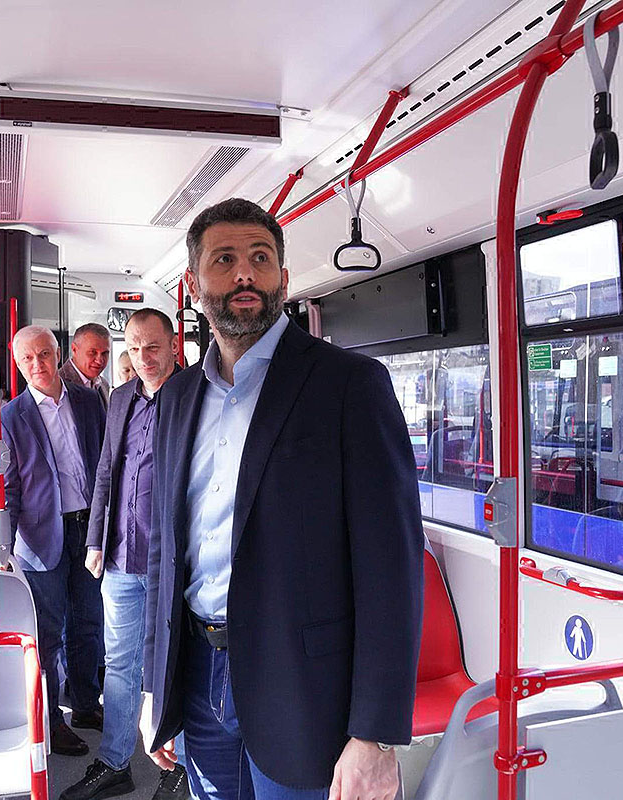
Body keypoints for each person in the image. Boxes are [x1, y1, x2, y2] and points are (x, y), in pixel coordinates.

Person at [143, 198, 424, 800]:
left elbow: (391, 567)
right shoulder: (175, 398)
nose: (245, 273)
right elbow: (163, 552)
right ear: (192, 284)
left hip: (306, 687)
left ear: (284, 278)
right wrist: (154, 687)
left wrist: (375, 735)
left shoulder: (349, 385)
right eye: (224, 259)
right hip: (196, 674)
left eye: (261, 258)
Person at [61, 309, 189, 800]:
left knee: (174, 663)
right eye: (134, 349)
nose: (143, 358)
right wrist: (95, 539)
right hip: (120, 556)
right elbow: (105, 472)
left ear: (174, 345)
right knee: (119, 664)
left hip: (172, 560)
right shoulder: (119, 398)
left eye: (152, 347)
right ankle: (115, 762)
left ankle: (181, 768)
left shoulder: (195, 394)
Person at [0, 325, 107, 756]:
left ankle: (85, 704)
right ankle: (52, 720)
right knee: (48, 633)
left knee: (89, 623)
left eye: (43, 354)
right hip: (40, 535)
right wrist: (3, 546)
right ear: (18, 364)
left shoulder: (88, 401)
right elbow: (8, 487)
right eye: (27, 358)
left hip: (88, 529)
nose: (37, 364)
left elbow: (105, 465)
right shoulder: (9, 417)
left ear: (58, 354)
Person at [61, 323, 112, 409]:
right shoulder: (59, 384)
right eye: (93, 352)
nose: (99, 360)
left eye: (105, 353)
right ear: (74, 349)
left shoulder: (103, 384)